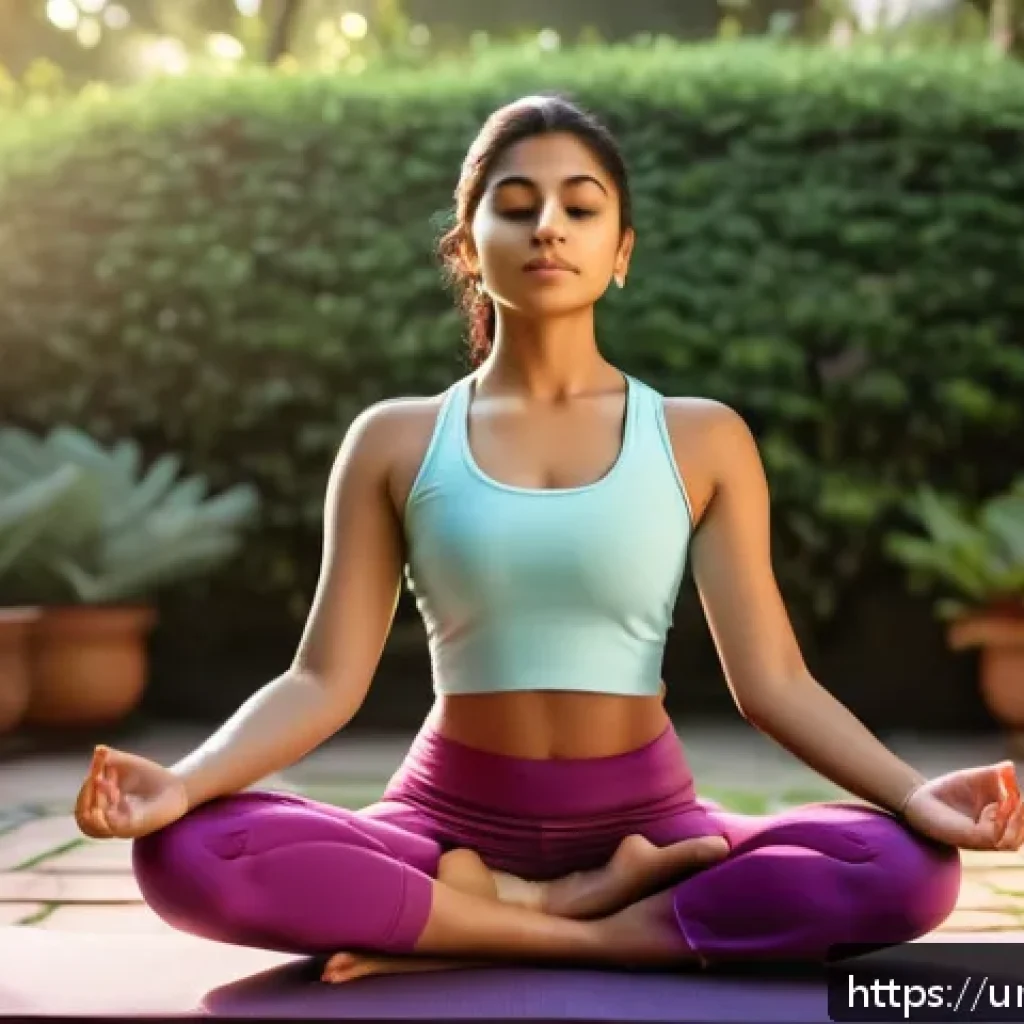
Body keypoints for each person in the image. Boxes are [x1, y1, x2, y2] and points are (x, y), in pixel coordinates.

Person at [75, 94, 1022, 986]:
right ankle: (579, 922)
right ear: (467, 246)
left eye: (582, 205)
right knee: (193, 854)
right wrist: (183, 785)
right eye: (516, 205)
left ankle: (477, 930)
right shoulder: (396, 439)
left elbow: (773, 682)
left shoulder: (702, 437)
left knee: (906, 870)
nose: (549, 227)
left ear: (622, 252)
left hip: (648, 824)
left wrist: (912, 796)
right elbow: (320, 681)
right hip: (445, 822)